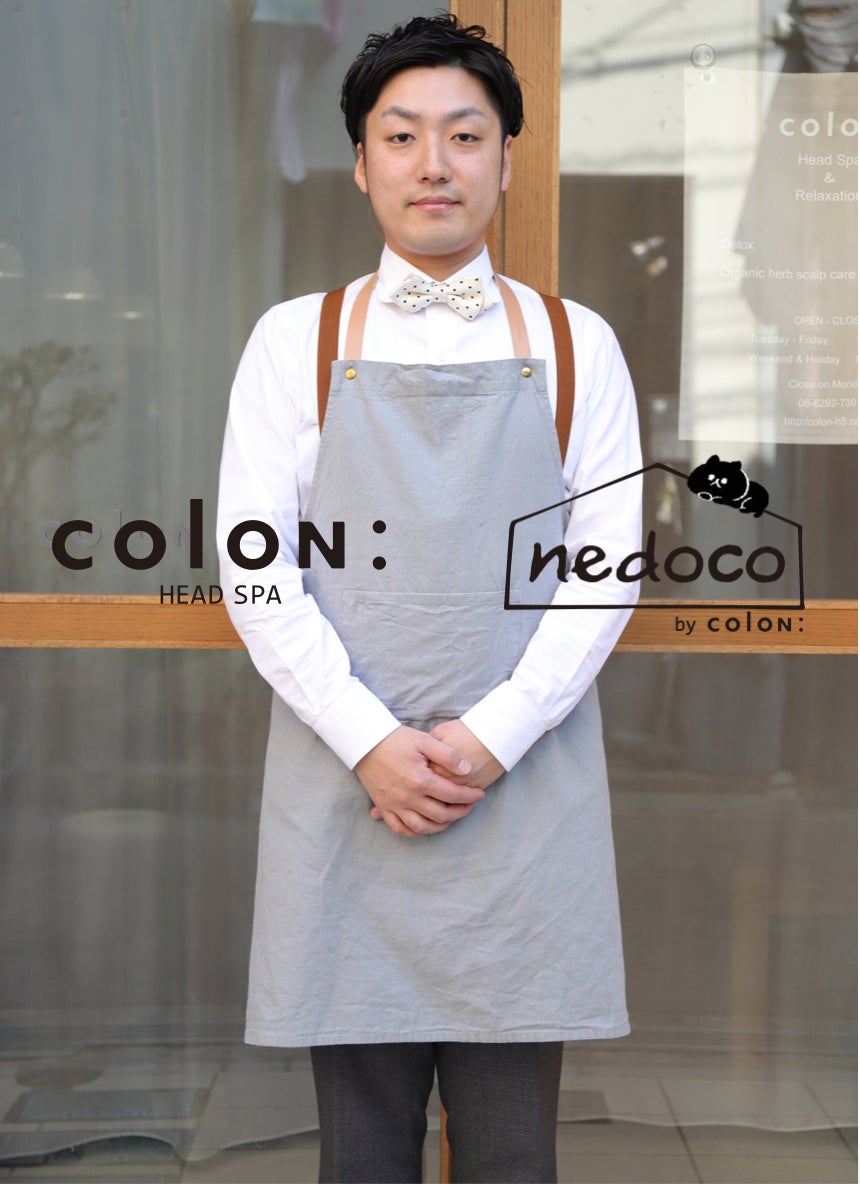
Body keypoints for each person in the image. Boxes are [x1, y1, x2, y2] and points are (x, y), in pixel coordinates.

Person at [217, 13, 641, 1182]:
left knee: (512, 1151)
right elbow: (256, 566)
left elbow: (604, 565)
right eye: (400, 135)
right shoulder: (291, 340)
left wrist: (489, 735)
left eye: (464, 133)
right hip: (346, 783)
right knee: (360, 1150)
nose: (432, 163)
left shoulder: (577, 343)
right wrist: (370, 740)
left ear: (506, 158)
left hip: (522, 778)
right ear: (361, 163)